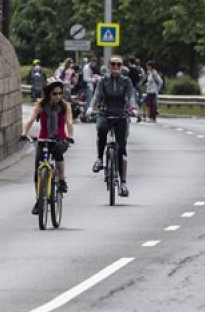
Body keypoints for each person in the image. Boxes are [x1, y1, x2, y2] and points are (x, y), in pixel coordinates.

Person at [20, 79, 75, 215]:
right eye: (54, 94)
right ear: (48, 94)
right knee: (37, 169)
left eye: (60, 93)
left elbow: (69, 121)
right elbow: (31, 119)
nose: (57, 96)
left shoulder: (65, 106)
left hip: (60, 139)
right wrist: (24, 133)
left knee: (57, 153)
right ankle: (39, 199)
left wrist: (70, 136)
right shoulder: (40, 105)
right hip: (44, 139)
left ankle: (61, 180)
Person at [86, 55, 138, 197]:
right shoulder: (103, 81)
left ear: (122, 67)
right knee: (101, 130)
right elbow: (97, 96)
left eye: (119, 64)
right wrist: (91, 108)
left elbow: (131, 96)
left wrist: (133, 108)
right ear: (109, 66)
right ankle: (99, 159)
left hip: (121, 114)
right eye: (113, 64)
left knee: (121, 147)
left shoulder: (126, 81)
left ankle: (124, 183)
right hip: (105, 112)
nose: (116, 67)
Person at [127, 56, 144, 122]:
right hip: (134, 87)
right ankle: (138, 114)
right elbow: (138, 79)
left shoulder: (129, 69)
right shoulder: (137, 69)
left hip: (129, 87)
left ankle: (132, 116)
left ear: (129, 62)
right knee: (133, 101)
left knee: (130, 102)